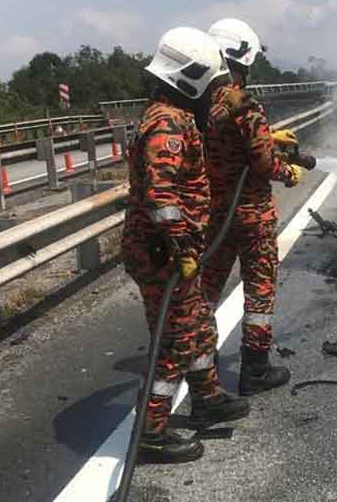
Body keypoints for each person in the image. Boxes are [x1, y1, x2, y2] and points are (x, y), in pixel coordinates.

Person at [121, 26, 249, 463]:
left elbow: (197, 133)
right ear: (191, 79)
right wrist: (181, 248)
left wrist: (232, 109)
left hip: (174, 251)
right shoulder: (167, 124)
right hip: (164, 254)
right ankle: (149, 434)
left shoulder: (172, 114)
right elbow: (161, 198)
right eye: (211, 84)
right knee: (175, 340)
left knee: (198, 327)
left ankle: (208, 399)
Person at [202, 18, 302, 396]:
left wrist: (267, 135)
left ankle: (199, 361)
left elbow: (229, 144)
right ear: (242, 58)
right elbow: (262, 162)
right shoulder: (243, 102)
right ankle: (255, 370)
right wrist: (287, 171)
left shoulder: (201, 104)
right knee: (259, 290)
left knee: (208, 286)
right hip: (251, 215)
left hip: (215, 213)